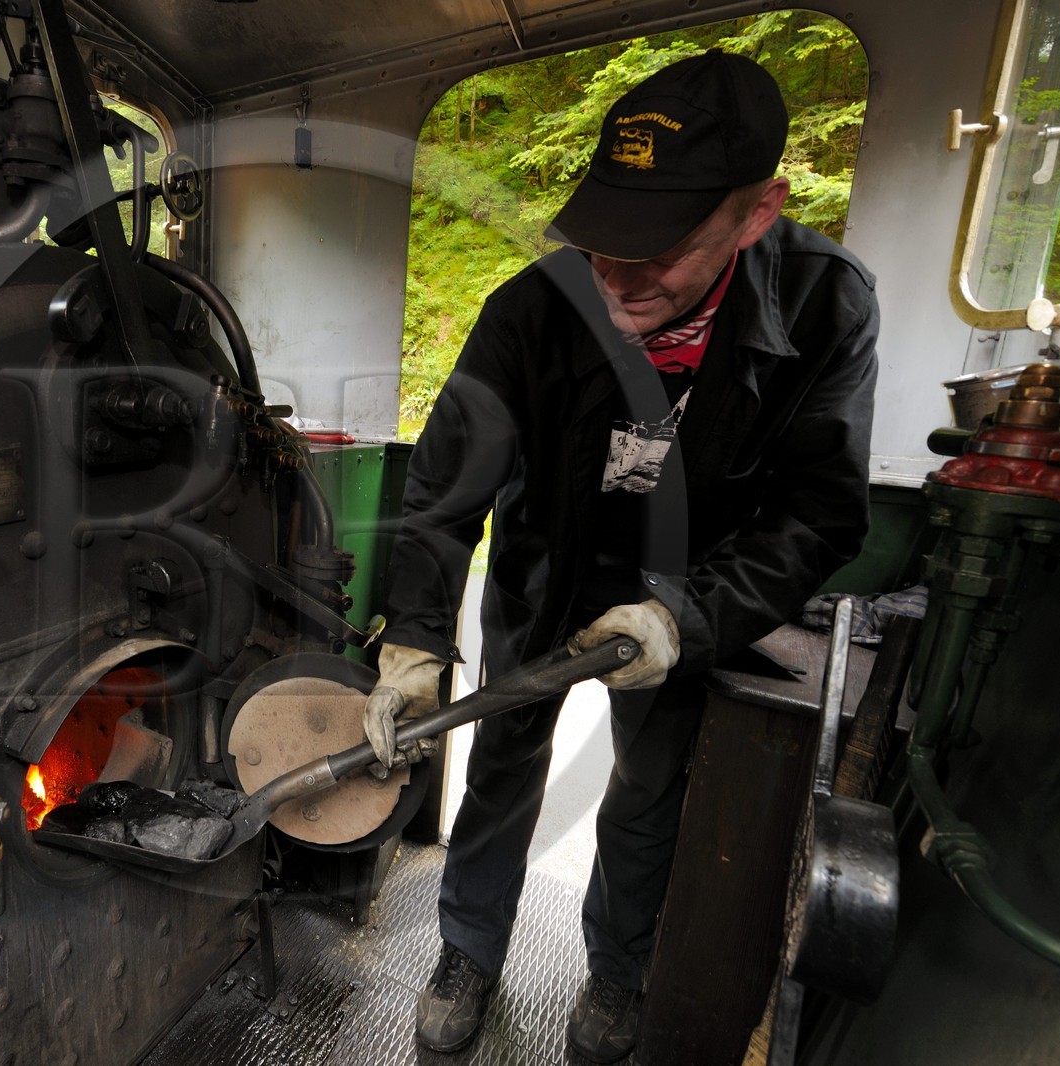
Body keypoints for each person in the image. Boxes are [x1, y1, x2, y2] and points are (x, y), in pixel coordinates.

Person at [362, 49, 878, 1063]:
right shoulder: (532, 308)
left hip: (688, 591)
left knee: (647, 789)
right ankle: (466, 949)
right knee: (502, 763)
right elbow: (441, 488)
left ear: (757, 211)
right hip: (544, 570)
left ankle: (614, 969)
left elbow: (819, 511)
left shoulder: (825, 305)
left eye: (658, 250)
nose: (617, 277)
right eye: (603, 244)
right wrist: (415, 639)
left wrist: (683, 619)